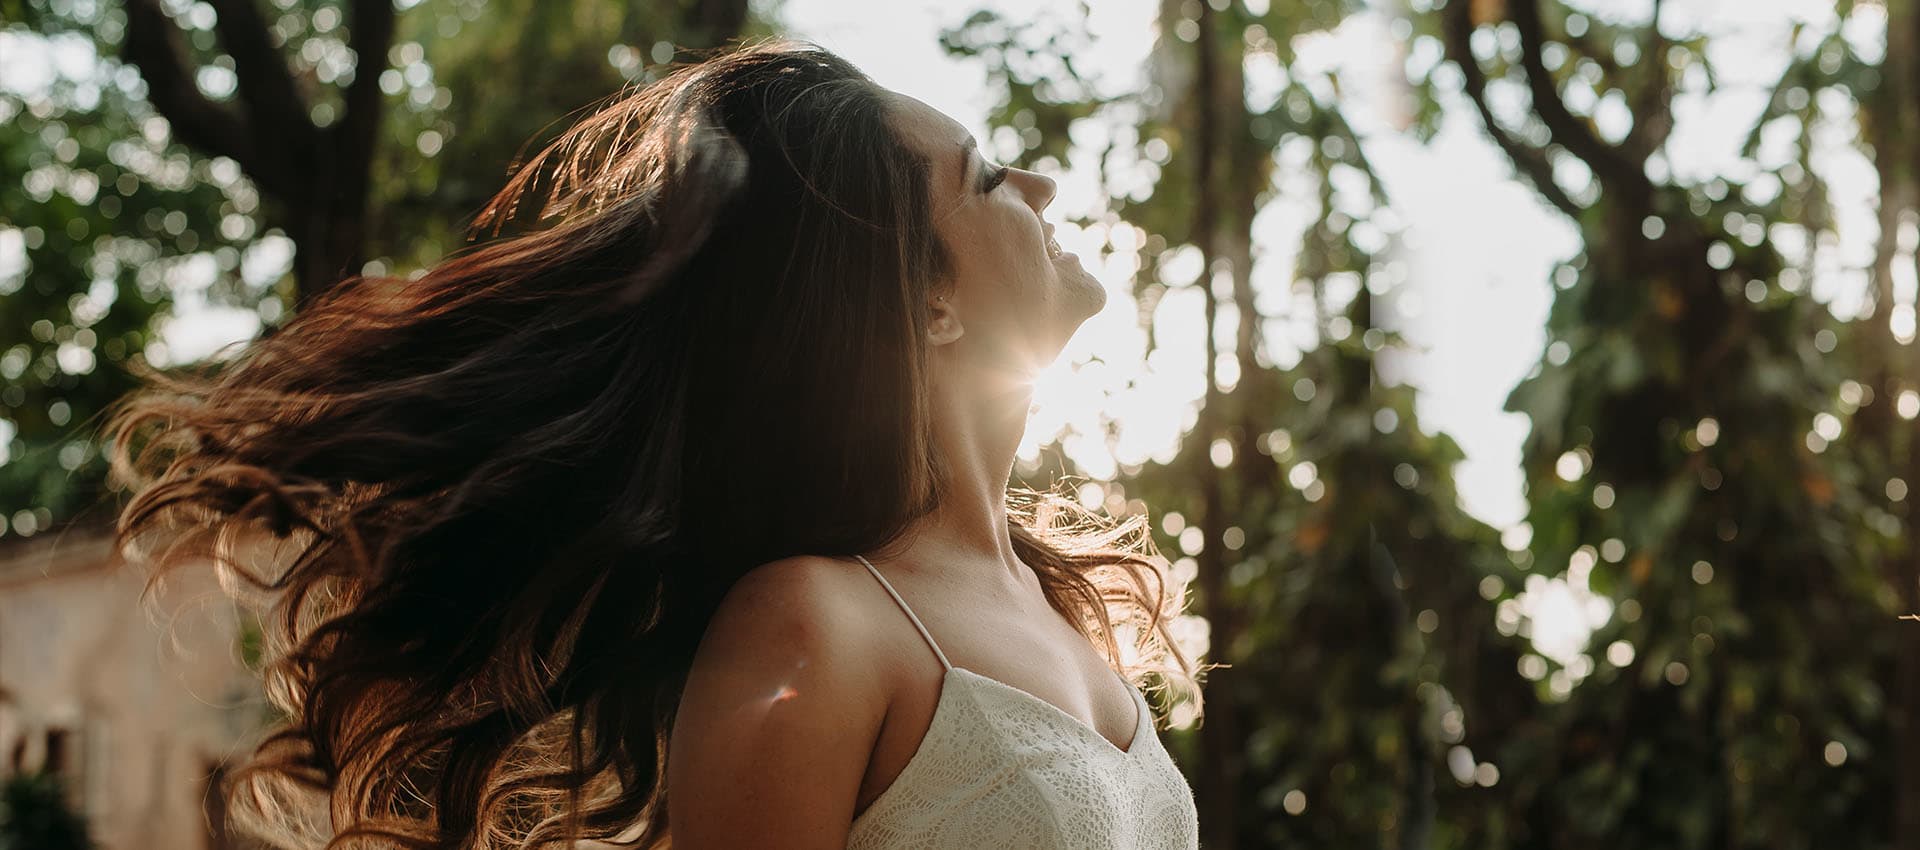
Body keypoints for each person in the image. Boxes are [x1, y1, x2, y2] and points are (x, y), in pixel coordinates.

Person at [102, 38, 1203, 850]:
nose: (1043, 186)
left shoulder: (1065, 603)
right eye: (987, 178)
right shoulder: (817, 625)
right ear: (928, 308)